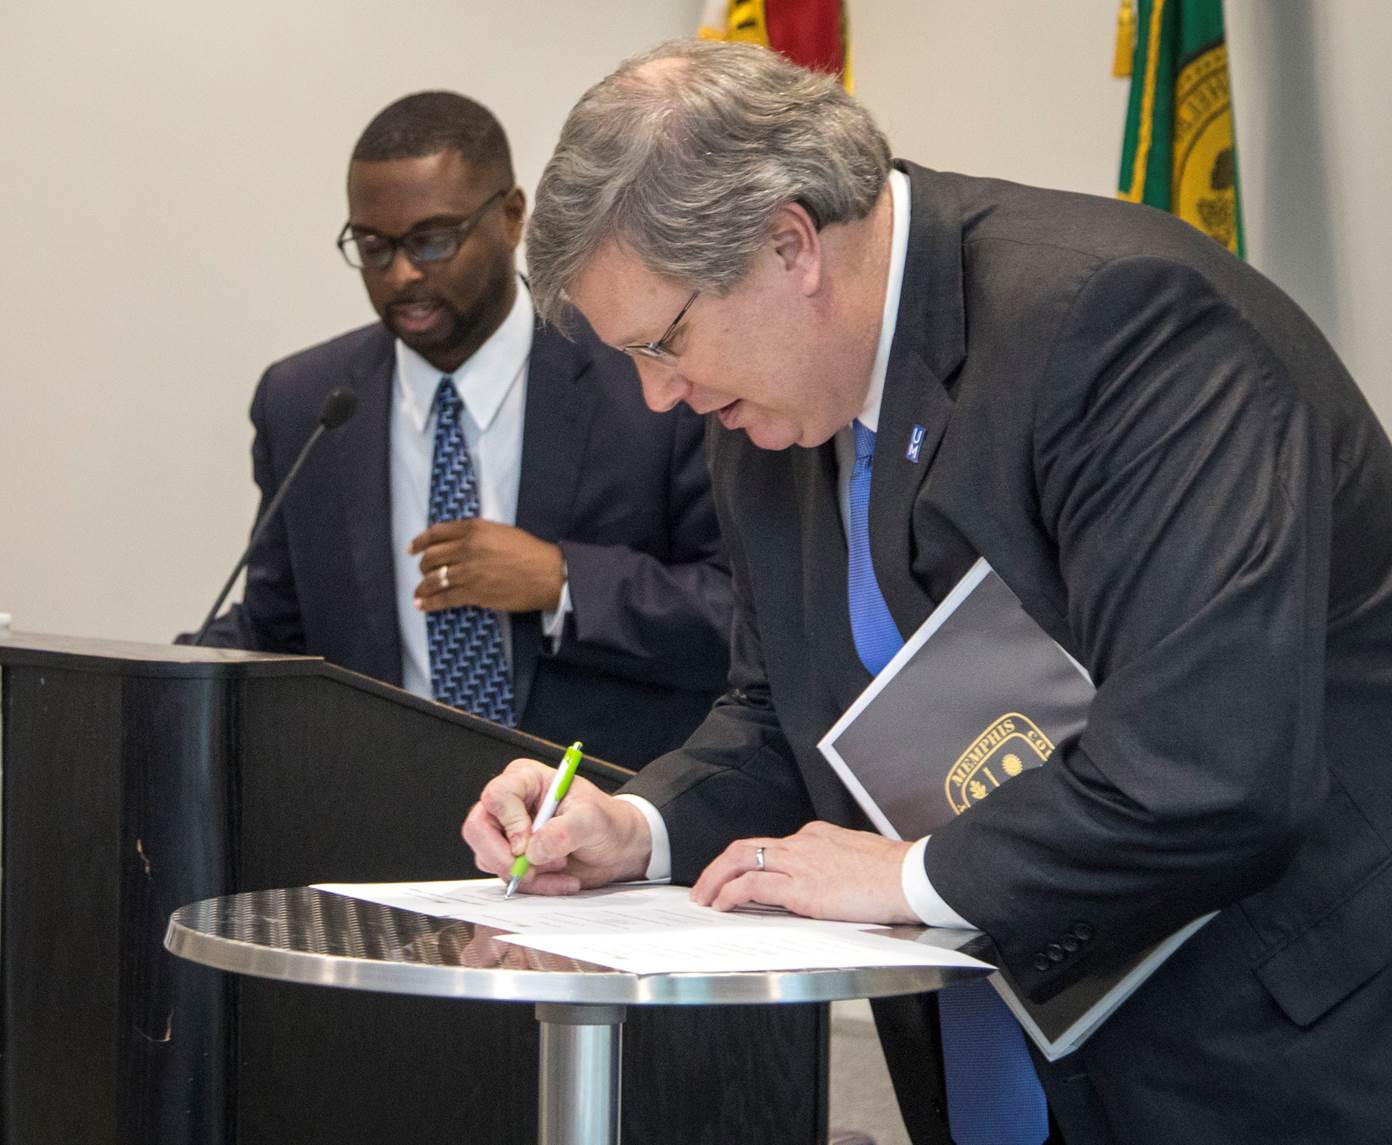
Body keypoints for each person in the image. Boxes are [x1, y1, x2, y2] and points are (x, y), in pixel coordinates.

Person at [461, 39, 1392, 1145]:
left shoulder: (1122, 321)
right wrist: (637, 823)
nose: (660, 394)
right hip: (990, 1051)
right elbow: (781, 714)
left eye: (663, 341)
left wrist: (909, 873)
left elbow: (1210, 765)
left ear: (790, 244)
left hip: (1254, 1051)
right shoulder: (763, 406)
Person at [192, 92, 732, 768]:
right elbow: (276, 628)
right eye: (372, 246)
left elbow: (741, 616)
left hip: (607, 815)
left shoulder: (649, 375)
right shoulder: (306, 401)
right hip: (381, 817)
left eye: (432, 240)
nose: (402, 274)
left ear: (511, 217)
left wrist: (563, 581)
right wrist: (158, 677)